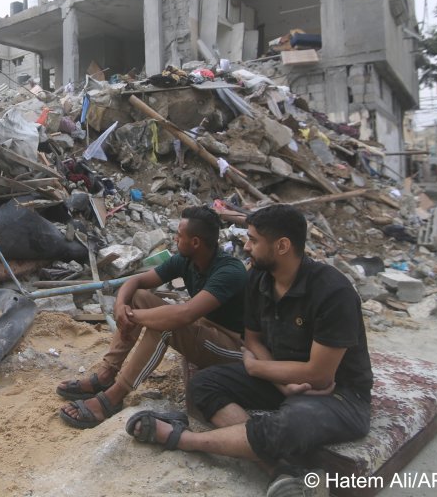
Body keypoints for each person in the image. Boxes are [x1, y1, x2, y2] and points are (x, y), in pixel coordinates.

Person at [123, 204, 373, 497]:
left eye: (253, 240)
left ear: (282, 246)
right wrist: (279, 381)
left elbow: (319, 374)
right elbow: (252, 340)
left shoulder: (333, 292)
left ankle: (181, 438)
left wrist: (257, 368)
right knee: (204, 385)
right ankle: (279, 467)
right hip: (281, 375)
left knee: (290, 422)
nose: (246, 245)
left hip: (339, 394)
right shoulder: (258, 278)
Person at [57, 206, 247, 429]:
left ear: (195, 242)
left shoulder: (229, 271)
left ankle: (111, 399)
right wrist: (121, 306)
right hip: (203, 329)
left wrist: (134, 316)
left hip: (232, 346)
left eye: (179, 235)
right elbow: (136, 283)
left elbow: (185, 314)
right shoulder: (186, 260)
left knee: (167, 325)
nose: (175, 239)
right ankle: (106, 374)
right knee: (138, 297)